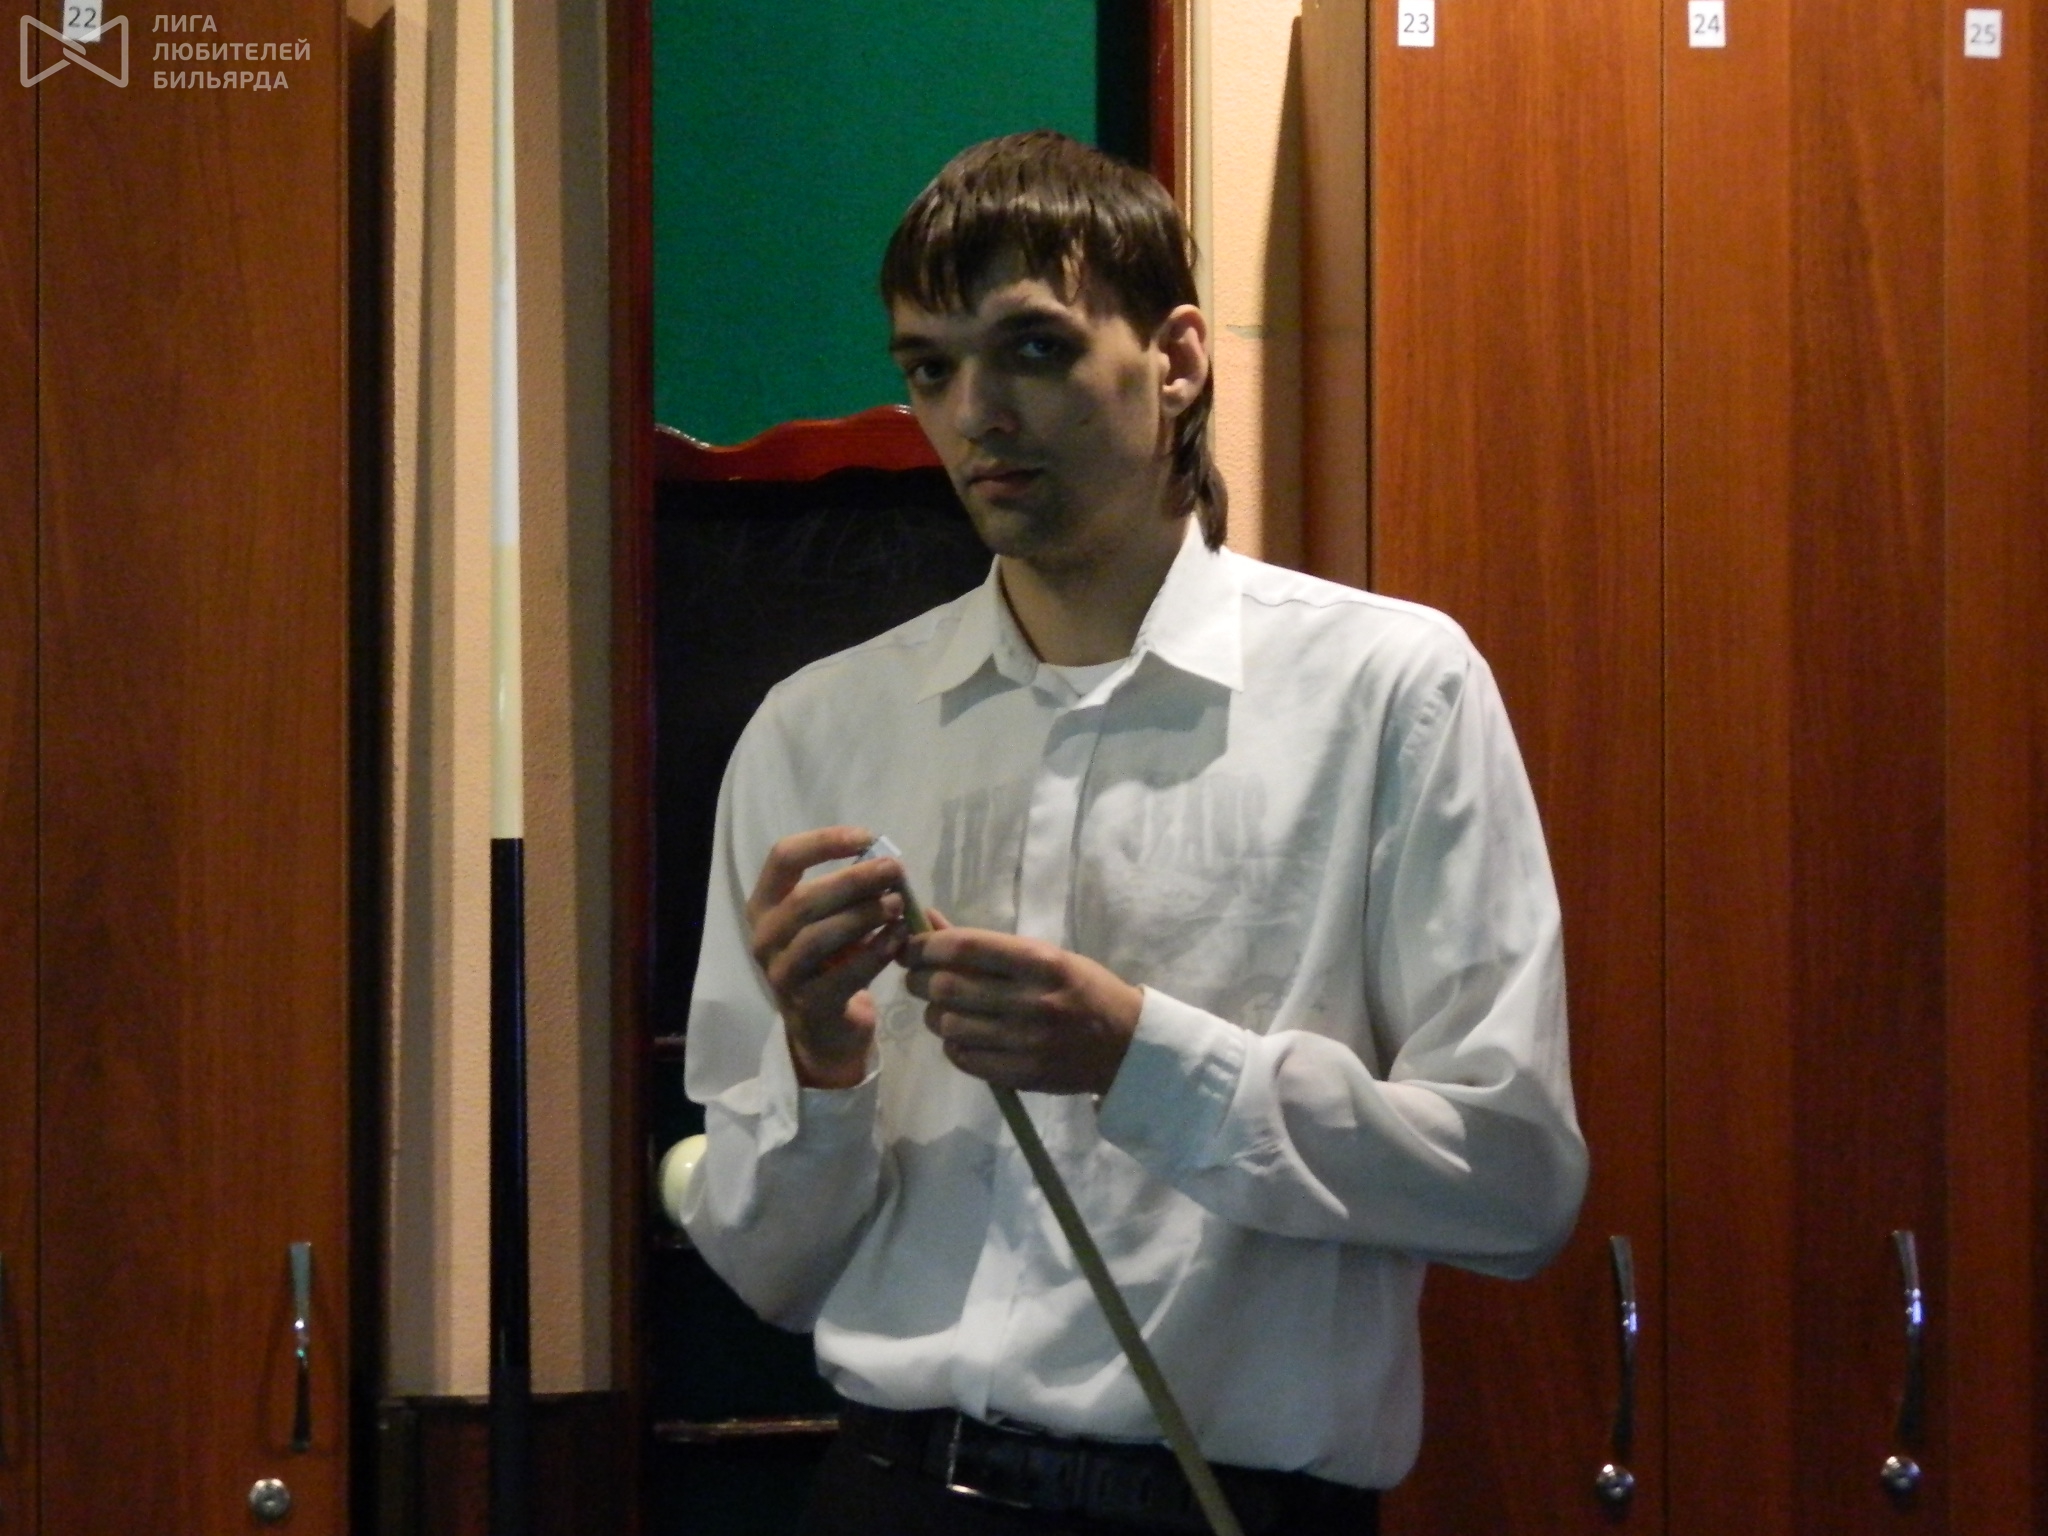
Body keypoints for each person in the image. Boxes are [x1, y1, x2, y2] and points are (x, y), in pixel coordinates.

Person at [679, 130, 1587, 1536]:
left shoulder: (1390, 691)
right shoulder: (818, 732)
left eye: (1033, 350)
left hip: (1221, 1502)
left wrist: (1141, 1058)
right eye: (930, 368)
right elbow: (770, 1271)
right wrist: (821, 1066)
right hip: (888, 1493)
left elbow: (1514, 1183)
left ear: (1176, 360)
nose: (976, 412)